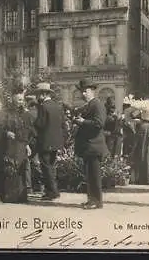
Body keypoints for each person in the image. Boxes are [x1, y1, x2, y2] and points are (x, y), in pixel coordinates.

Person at [0, 86, 36, 203]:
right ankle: (8, 195)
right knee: (9, 168)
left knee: (20, 170)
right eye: (18, 96)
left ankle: (20, 195)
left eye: (22, 97)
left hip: (20, 146)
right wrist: (6, 133)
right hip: (7, 146)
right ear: (13, 97)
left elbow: (28, 131)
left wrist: (27, 144)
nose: (21, 99)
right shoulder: (5, 112)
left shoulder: (25, 114)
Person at [73, 78, 109, 210]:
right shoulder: (90, 105)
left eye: (85, 91)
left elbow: (99, 123)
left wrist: (82, 121)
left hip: (94, 145)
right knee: (90, 175)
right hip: (89, 146)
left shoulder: (97, 104)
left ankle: (96, 201)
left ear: (92, 91)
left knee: (94, 175)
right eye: (82, 91)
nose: (83, 94)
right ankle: (91, 200)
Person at [33, 83, 65, 201]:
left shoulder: (43, 107)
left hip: (45, 142)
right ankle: (52, 190)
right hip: (56, 142)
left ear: (43, 94)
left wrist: (34, 123)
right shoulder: (57, 106)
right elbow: (63, 124)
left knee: (46, 167)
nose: (37, 96)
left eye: (38, 94)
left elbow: (40, 124)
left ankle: (52, 191)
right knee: (52, 166)